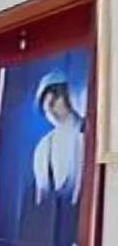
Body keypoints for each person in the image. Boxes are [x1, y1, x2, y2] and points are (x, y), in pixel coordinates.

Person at [31, 72, 84, 205]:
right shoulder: (43, 146)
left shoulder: (88, 132)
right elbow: (41, 197)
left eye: (55, 97)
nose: (50, 106)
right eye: (44, 102)